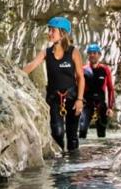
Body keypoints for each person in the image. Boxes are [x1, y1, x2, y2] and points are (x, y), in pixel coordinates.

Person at [22, 17, 85, 151]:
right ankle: (59, 168)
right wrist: (15, 73)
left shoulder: (73, 52)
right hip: (54, 99)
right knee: (57, 133)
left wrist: (79, 99)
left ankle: (72, 169)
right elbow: (32, 65)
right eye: (49, 30)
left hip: (72, 97)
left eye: (53, 30)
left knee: (72, 136)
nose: (49, 33)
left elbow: (80, 77)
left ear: (62, 33)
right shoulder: (46, 52)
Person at [79, 43, 114, 139]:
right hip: (87, 104)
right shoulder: (83, 70)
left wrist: (110, 107)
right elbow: (78, 87)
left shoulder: (105, 69)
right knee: (82, 130)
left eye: (94, 53)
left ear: (99, 54)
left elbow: (110, 89)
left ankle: (101, 153)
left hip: (101, 104)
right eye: (90, 53)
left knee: (102, 134)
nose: (92, 55)